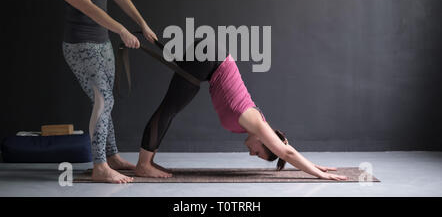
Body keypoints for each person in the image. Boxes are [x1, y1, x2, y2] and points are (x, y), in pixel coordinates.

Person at [134, 39, 348, 181]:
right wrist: (320, 175)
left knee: (170, 109)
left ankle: (147, 161)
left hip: (211, 57)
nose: (251, 153)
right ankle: (144, 165)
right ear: (263, 141)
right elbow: (286, 151)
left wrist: (314, 165)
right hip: (210, 57)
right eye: (258, 152)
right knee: (168, 110)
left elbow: (283, 143)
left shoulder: (260, 126)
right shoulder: (255, 122)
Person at [50, 0, 157, 183]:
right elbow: (88, 7)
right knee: (103, 100)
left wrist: (141, 23)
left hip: (102, 42)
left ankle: (112, 156)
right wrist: (121, 29)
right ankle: (100, 166)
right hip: (80, 46)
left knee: (105, 101)